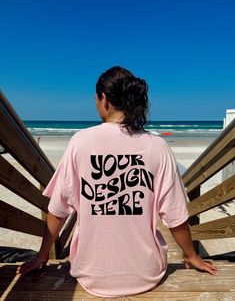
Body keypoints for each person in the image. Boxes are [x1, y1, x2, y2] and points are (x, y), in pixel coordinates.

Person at [16, 66, 218, 297]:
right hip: (146, 273)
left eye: (95, 98)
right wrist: (192, 256)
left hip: (91, 274)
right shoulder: (157, 146)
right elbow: (174, 215)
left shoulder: (80, 142)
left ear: (104, 99)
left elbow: (58, 210)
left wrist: (42, 256)